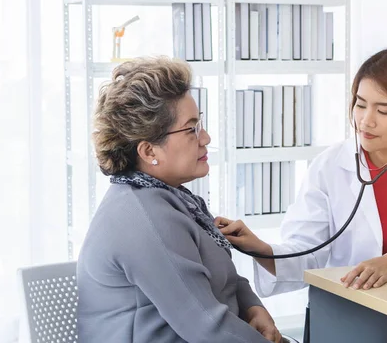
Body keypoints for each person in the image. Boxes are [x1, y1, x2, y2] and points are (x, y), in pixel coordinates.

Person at [215, 47, 387, 299]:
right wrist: (260, 248)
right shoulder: (330, 165)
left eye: (383, 110)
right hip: (349, 306)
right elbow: (307, 253)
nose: (365, 121)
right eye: (360, 104)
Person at [77, 56, 282, 343]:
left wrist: (252, 306)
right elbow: (208, 328)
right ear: (149, 152)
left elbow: (221, 279)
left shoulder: (172, 199)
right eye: (191, 129)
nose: (206, 138)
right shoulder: (144, 218)